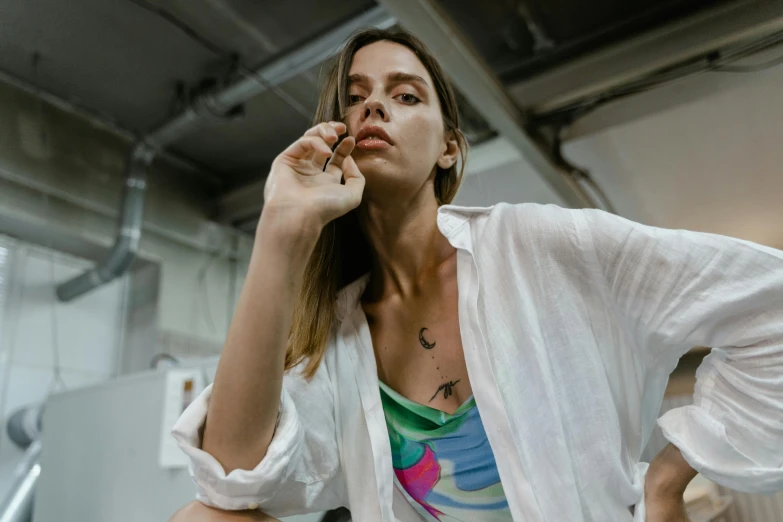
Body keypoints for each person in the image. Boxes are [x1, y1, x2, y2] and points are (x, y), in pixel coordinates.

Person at [170, 28, 783, 522]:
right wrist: (281, 229)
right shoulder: (337, 335)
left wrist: (669, 478)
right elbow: (228, 478)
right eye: (355, 98)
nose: (374, 105)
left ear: (449, 148)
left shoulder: (541, 244)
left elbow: (771, 306)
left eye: (405, 96)